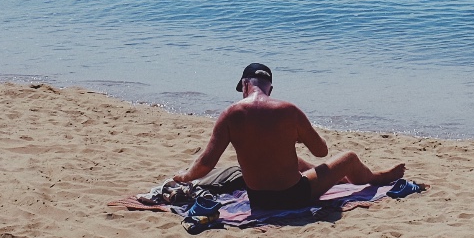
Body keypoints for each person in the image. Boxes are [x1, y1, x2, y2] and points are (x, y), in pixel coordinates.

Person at [172, 63, 406, 213]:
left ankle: (340, 178)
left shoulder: (230, 114)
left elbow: (205, 163)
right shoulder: (288, 111)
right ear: (270, 88)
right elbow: (322, 151)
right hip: (293, 196)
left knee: (298, 162)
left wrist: (185, 176)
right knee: (349, 157)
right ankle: (376, 177)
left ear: (245, 85)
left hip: (259, 200)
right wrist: (298, 134)